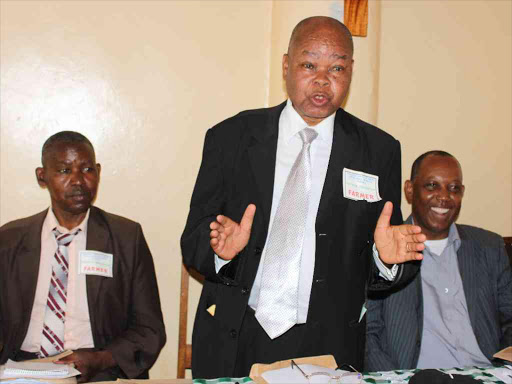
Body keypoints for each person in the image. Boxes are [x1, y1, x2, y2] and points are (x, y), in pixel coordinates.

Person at [181, 16, 425, 379]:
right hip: (237, 332)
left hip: (328, 343)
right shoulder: (230, 138)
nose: (322, 80)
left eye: (337, 67)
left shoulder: (378, 151)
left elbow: (380, 260)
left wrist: (384, 259)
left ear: (351, 72)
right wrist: (220, 250)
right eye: (309, 65)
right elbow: (193, 242)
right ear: (286, 65)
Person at [0, 131, 166, 382]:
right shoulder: (10, 239)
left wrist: (101, 359)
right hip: (23, 370)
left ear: (98, 172)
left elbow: (149, 330)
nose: (78, 180)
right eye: (64, 171)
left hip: (100, 370)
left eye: (87, 169)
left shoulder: (125, 237)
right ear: (42, 176)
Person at [366, 151, 512, 371]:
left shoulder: (490, 247)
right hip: (415, 378)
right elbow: (368, 334)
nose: (444, 196)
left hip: (485, 374)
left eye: (454, 188)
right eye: (432, 186)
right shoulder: (386, 250)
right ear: (409, 189)